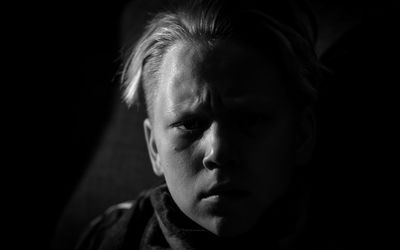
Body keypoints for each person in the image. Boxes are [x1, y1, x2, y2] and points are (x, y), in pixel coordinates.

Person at [75, 0, 326, 249]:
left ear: (302, 134)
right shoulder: (107, 237)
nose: (218, 152)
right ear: (154, 148)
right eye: (190, 123)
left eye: (249, 120)